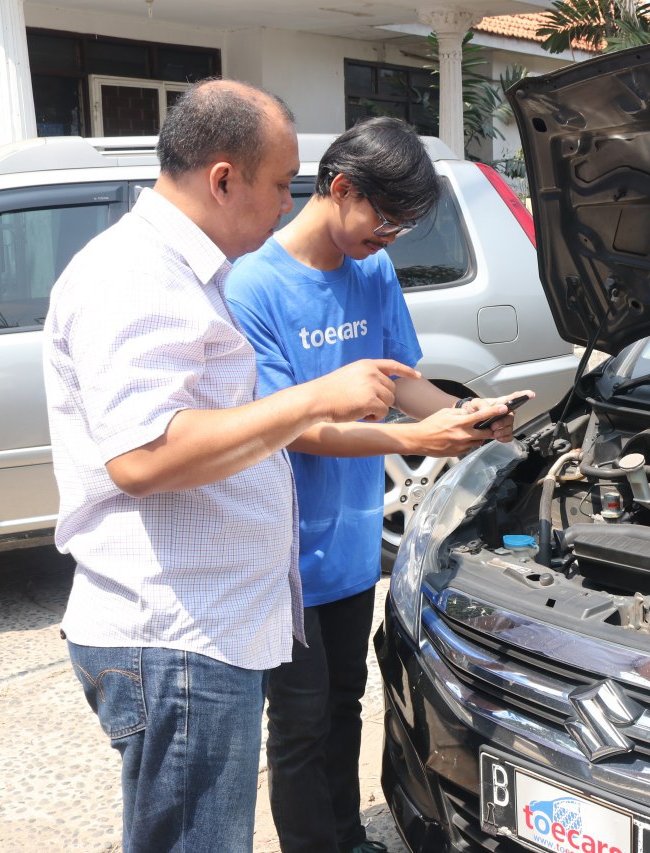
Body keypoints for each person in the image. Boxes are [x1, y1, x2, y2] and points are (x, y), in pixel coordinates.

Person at [43, 81, 418, 852]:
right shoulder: (133, 277)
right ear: (223, 178)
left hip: (206, 628)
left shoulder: (190, 272)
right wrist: (317, 398)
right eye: (281, 184)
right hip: (176, 636)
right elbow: (142, 457)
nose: (288, 204)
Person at [224, 116, 528, 853]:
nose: (389, 237)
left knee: (343, 703)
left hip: (354, 543)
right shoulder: (254, 285)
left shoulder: (372, 270)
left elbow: (400, 379)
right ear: (339, 188)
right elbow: (291, 427)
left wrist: (463, 413)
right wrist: (414, 439)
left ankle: (346, 837)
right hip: (283, 556)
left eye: (404, 227)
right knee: (296, 723)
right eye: (383, 219)